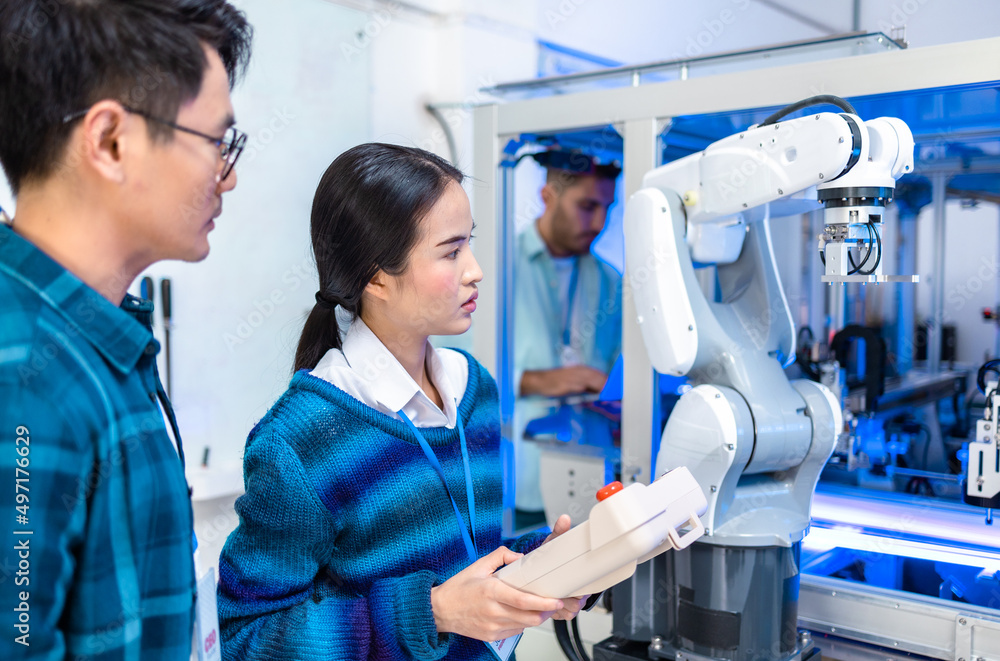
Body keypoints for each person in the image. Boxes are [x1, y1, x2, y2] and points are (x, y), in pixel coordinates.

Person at [217, 143, 584, 660]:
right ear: (376, 277)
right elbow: (247, 639)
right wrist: (430, 613)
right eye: (451, 252)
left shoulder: (474, 389)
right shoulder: (300, 439)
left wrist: (548, 565)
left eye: (470, 244)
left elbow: (467, 565)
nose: (475, 270)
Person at [0, 2, 252, 658]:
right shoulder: (25, 378)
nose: (228, 176)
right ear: (111, 141)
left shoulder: (98, 341)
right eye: (215, 142)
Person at [514, 150, 623, 526]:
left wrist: (619, 400)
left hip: (594, 475)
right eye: (587, 206)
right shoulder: (496, 268)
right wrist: (543, 381)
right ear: (548, 196)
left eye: (607, 208)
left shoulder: (612, 282)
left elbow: (622, 374)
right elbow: (455, 370)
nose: (599, 222)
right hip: (520, 481)